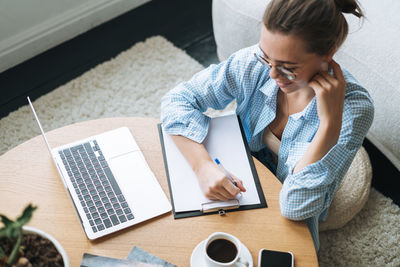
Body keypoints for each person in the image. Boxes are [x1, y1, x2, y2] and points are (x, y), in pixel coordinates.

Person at [161, 0, 374, 251]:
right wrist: (202, 166)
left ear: (329, 52)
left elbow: (297, 207)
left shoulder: (354, 109)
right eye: (267, 58)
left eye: (288, 68)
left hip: (293, 195)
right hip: (242, 172)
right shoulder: (254, 62)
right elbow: (177, 100)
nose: (273, 75)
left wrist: (329, 125)